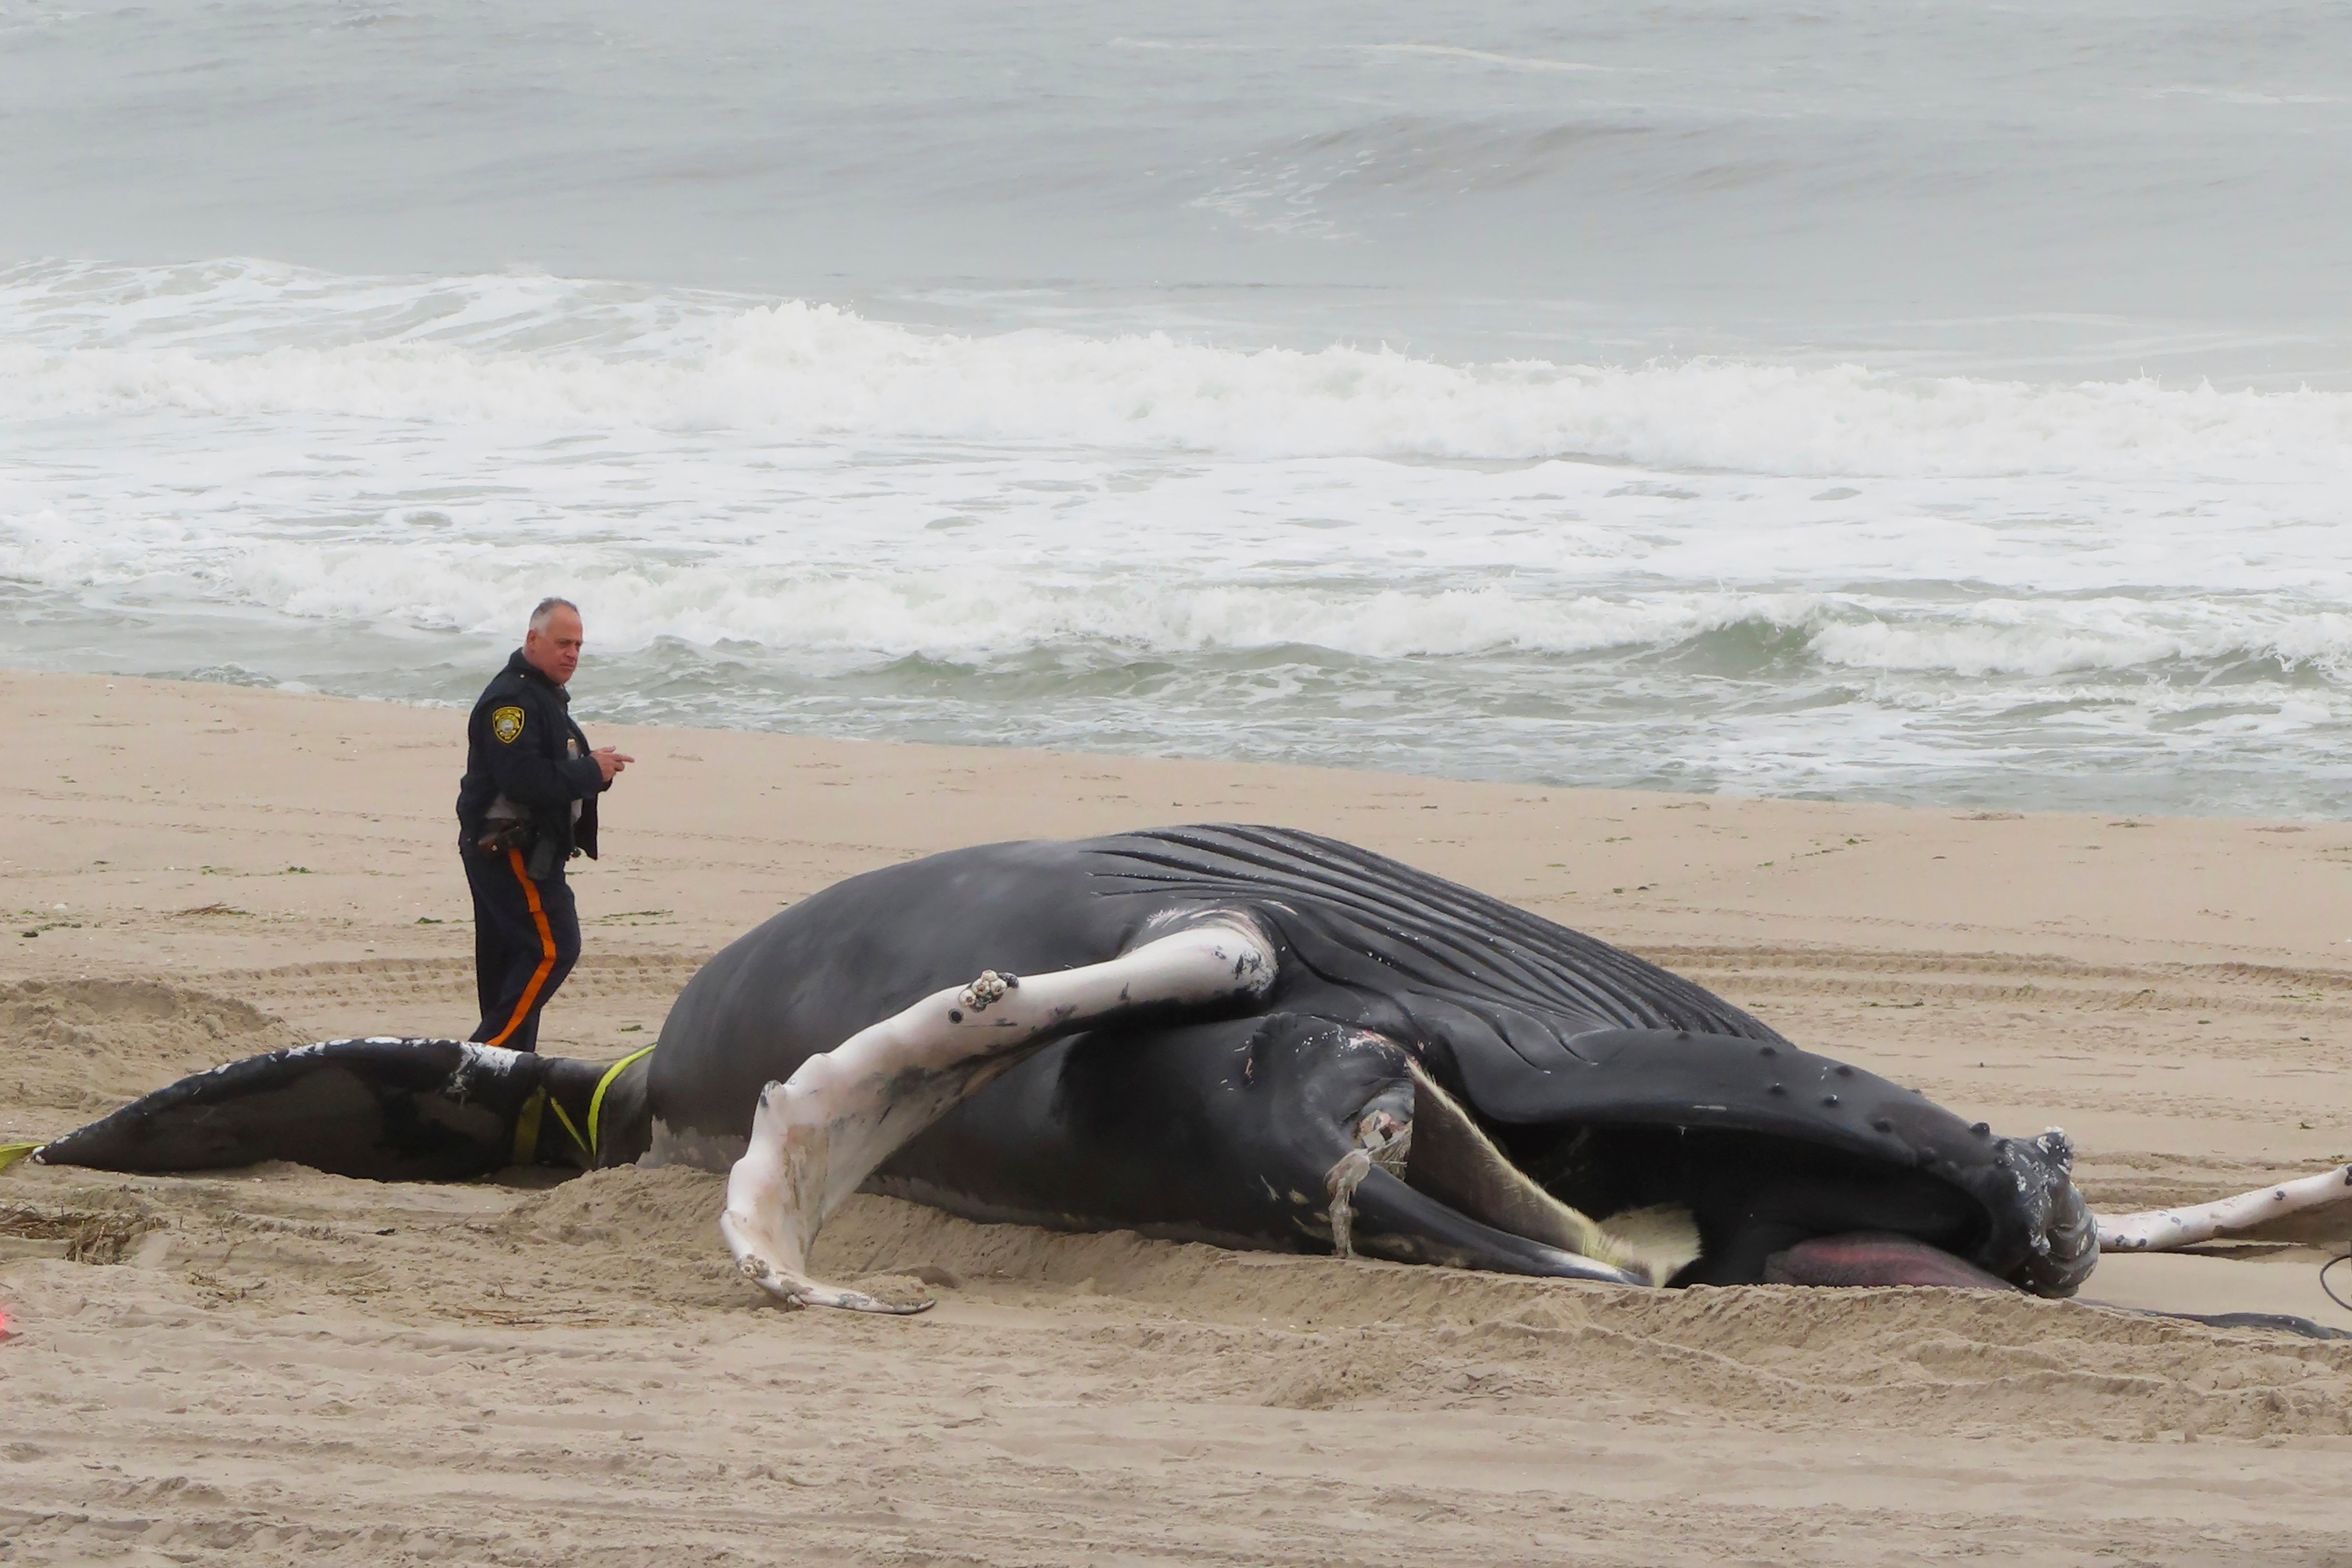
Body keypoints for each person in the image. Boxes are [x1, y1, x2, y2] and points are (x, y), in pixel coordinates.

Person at [454, 598, 633, 1054]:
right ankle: (479, 1059)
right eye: (563, 643)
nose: (572, 654)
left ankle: (506, 1069)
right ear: (533, 640)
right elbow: (522, 778)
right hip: (509, 849)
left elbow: (549, 764)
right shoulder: (512, 700)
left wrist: (595, 767)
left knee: (513, 964)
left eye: (578, 645)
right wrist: (589, 771)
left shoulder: (542, 694)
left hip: (524, 849)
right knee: (553, 948)